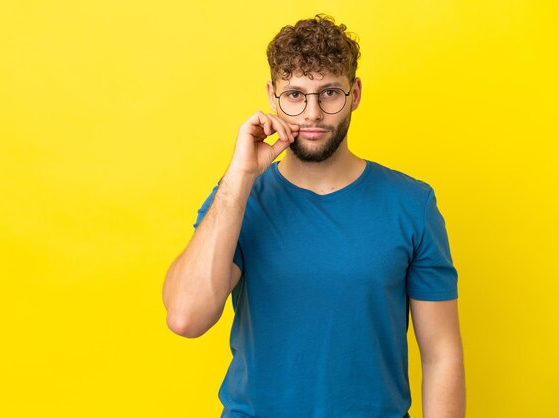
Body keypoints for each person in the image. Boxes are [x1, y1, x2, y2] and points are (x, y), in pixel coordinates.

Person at [162, 14, 465, 418]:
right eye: (295, 94)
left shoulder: (412, 204)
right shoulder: (238, 199)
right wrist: (239, 176)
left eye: (329, 93)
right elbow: (186, 317)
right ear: (272, 96)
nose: (312, 114)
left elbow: (441, 354)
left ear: (354, 93)